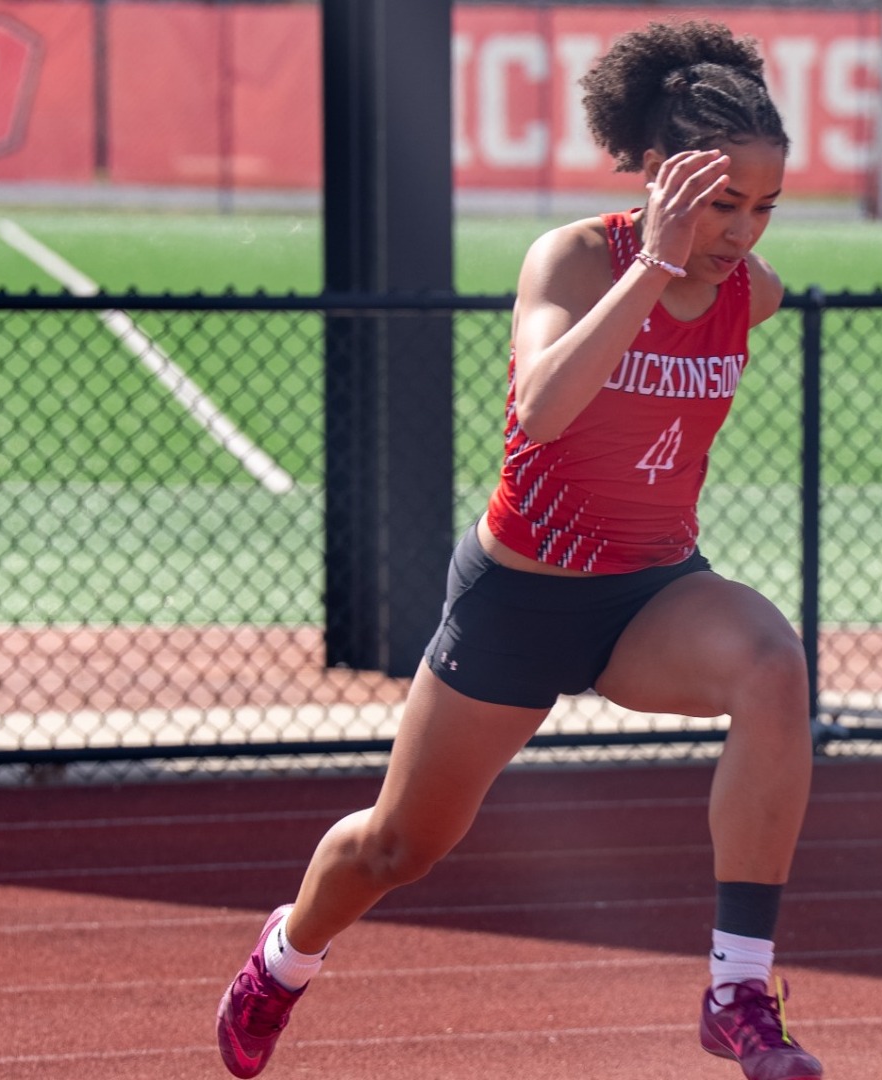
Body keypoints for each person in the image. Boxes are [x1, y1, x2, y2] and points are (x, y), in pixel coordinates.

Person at [214, 19, 823, 1080]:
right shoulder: (577, 259)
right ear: (657, 175)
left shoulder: (748, 291)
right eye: (722, 203)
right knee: (398, 848)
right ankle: (283, 959)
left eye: (763, 207)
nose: (742, 232)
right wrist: (654, 271)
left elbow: (727, 302)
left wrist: (705, 267)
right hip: (518, 602)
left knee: (772, 664)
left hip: (648, 598)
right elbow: (539, 412)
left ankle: (736, 989)